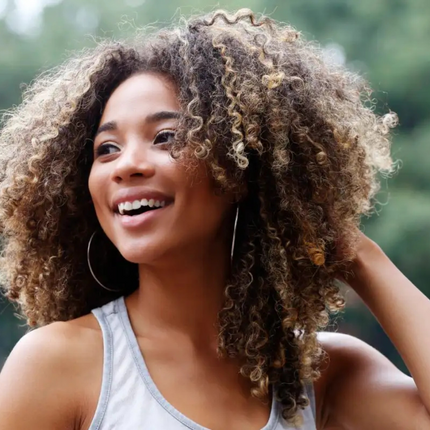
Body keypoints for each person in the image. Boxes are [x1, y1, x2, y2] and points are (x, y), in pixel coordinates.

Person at [0, 8, 428, 430]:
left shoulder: (318, 377)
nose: (125, 165)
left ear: (241, 169)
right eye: (106, 148)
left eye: (166, 137)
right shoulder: (57, 364)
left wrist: (361, 258)